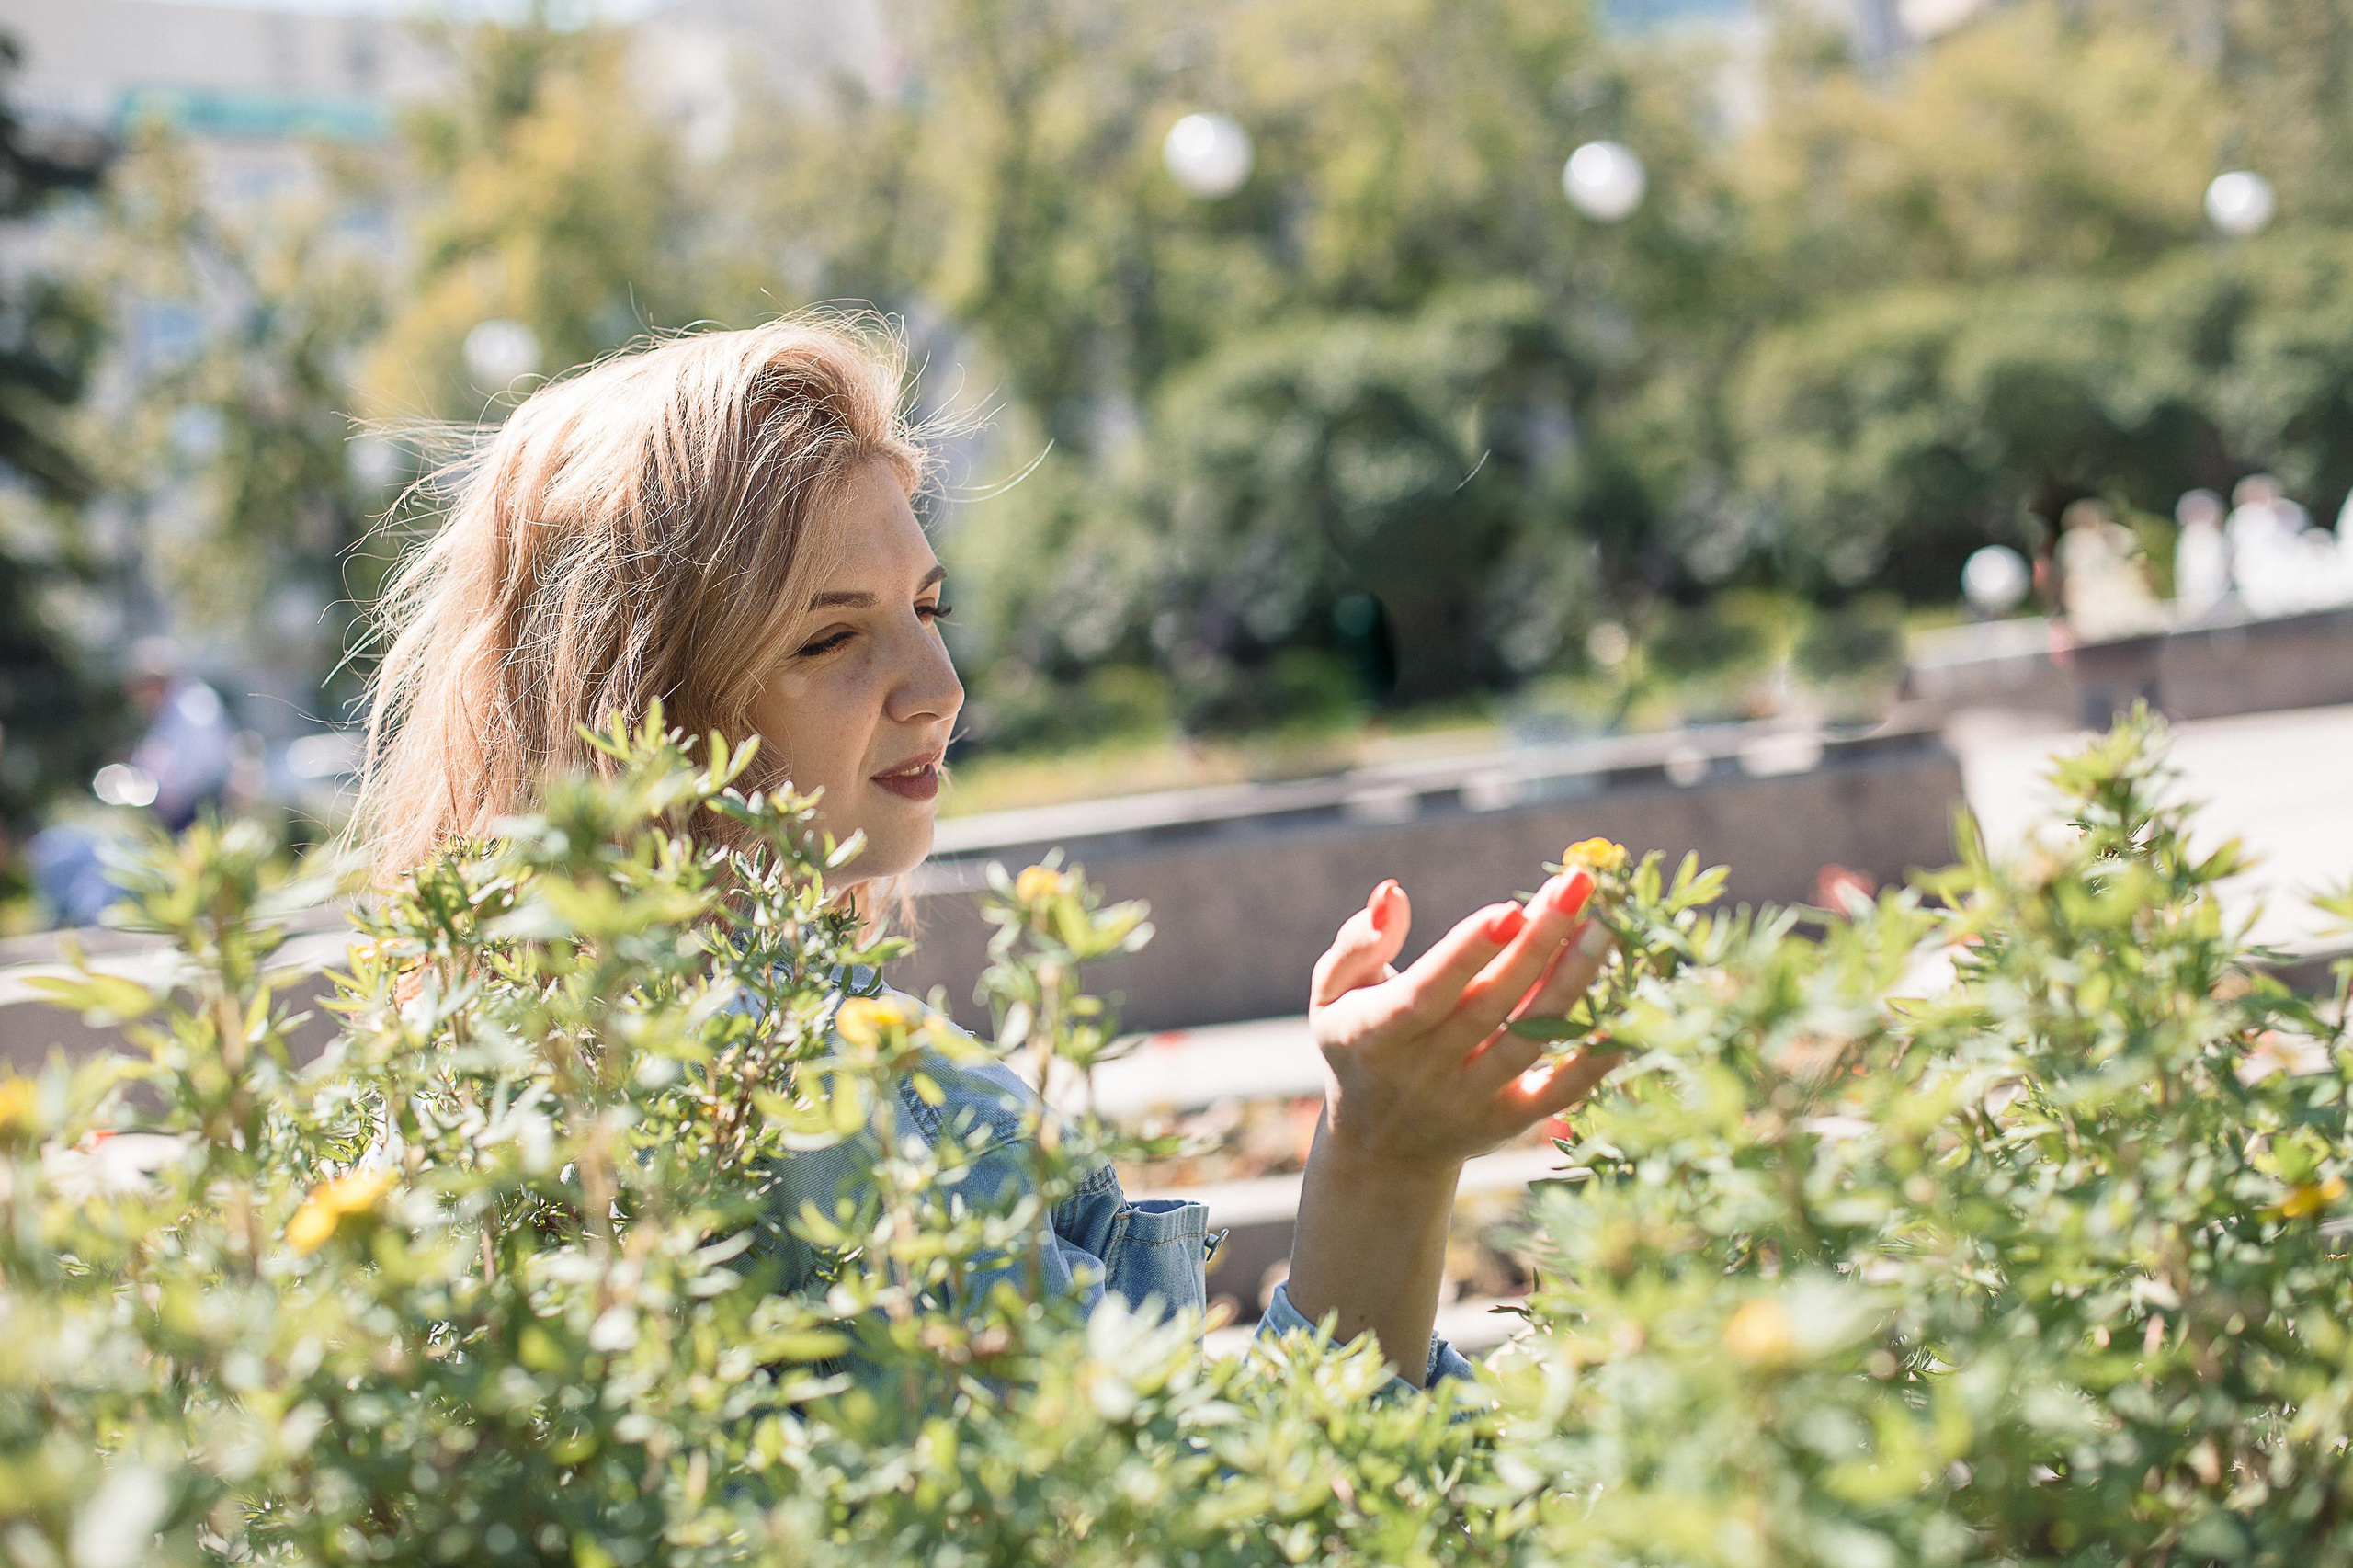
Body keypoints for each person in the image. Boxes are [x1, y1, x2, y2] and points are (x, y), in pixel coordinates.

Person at [350, 318, 1620, 1392]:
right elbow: (1187, 1519)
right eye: (829, 638)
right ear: (636, 713)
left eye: (926, 607)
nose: (938, 686)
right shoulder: (798, 1098)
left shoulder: (507, 1060)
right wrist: (1388, 1162)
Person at [2171, 488, 2229, 621]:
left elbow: (2219, 570)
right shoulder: (2188, 539)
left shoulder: (2214, 538)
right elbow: (2186, 571)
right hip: (2195, 598)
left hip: (2219, 599)